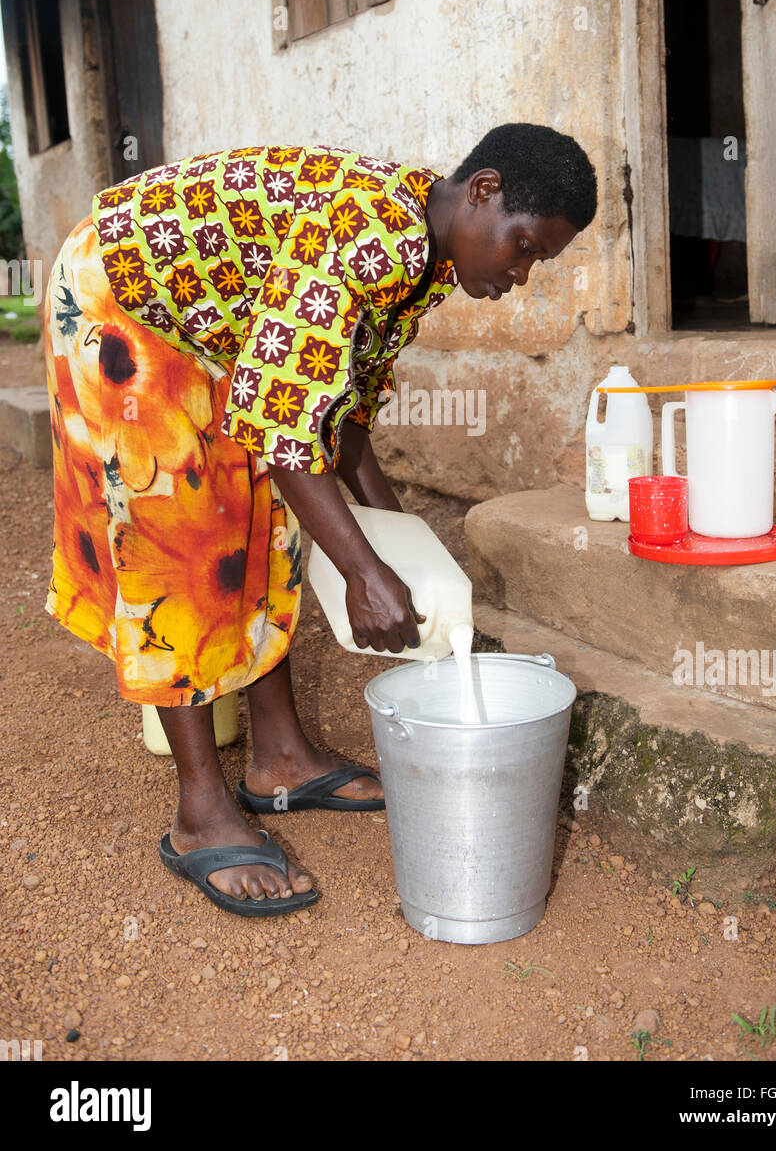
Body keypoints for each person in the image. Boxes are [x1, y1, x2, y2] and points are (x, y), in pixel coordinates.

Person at [43, 123, 597, 916]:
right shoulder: (373, 237)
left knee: (268, 522)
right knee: (186, 530)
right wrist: (367, 577)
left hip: (205, 315)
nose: (520, 273)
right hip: (125, 294)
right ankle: (200, 811)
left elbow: (340, 423)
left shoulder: (424, 260)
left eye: (538, 261)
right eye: (523, 246)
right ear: (483, 191)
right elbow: (285, 430)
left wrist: (396, 549)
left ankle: (281, 760)